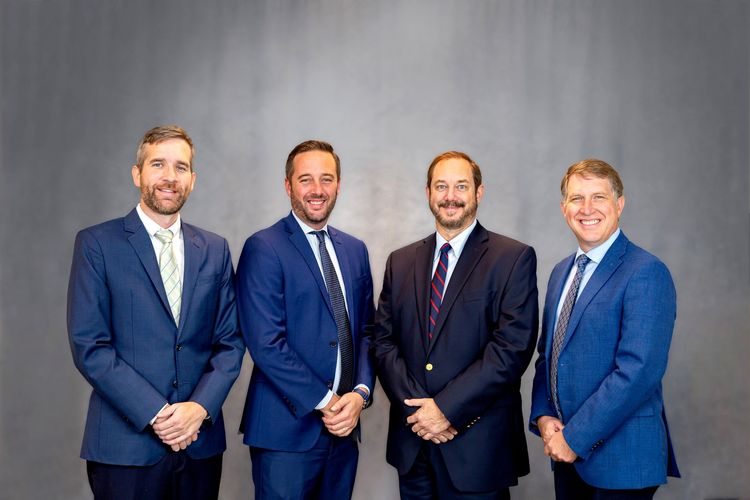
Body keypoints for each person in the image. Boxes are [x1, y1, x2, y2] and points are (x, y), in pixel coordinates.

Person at [67, 125, 245, 500]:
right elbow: (90, 346)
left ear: (192, 180)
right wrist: (159, 414)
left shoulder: (214, 249)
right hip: (125, 448)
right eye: (158, 164)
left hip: (200, 444)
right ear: (138, 174)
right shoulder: (97, 244)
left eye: (181, 168)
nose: (169, 177)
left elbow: (230, 343)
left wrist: (198, 408)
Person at [373, 151, 539, 499]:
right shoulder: (400, 262)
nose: (450, 196)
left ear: (479, 192)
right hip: (414, 443)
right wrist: (420, 414)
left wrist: (445, 409)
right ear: (428, 193)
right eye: (441, 186)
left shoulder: (512, 258)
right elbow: (384, 343)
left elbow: (510, 351)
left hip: (477, 449)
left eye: (461, 186)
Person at [529, 159, 680, 499]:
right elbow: (548, 356)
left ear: (619, 204)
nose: (587, 209)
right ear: (563, 207)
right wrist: (543, 414)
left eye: (598, 197)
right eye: (576, 198)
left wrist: (575, 438)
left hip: (622, 460)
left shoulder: (645, 272)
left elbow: (639, 371)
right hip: (566, 453)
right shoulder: (561, 273)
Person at [236, 140, 375, 499]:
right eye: (306, 179)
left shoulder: (355, 250)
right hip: (285, 433)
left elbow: (366, 333)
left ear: (339, 185)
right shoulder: (264, 247)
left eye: (326, 179)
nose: (317, 190)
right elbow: (266, 344)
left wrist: (359, 394)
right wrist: (328, 401)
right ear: (288, 186)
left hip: (344, 429)